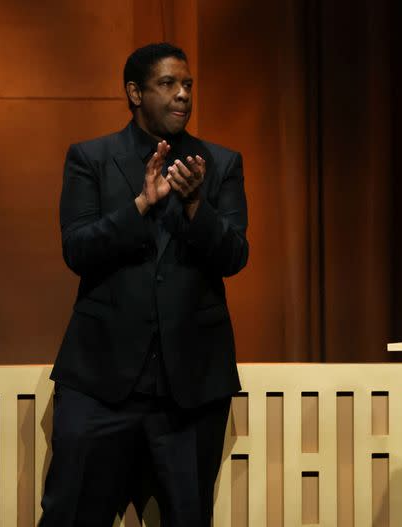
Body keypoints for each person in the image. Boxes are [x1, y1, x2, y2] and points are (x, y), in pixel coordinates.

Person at [39, 42, 248, 526]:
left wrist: (197, 208)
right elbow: (78, 250)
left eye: (188, 85)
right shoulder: (90, 159)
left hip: (190, 391)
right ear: (134, 92)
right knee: (69, 516)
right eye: (167, 84)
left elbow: (235, 256)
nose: (182, 96)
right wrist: (138, 207)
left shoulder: (218, 163)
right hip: (99, 385)